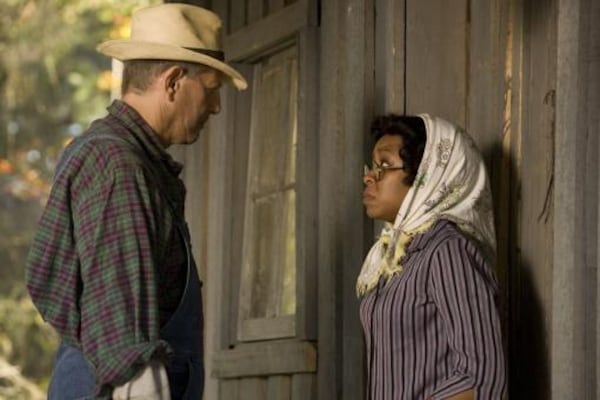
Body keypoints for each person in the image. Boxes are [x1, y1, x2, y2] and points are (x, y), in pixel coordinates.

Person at [25, 3, 247, 399]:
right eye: (211, 90)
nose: (215, 107)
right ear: (174, 81)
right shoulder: (118, 167)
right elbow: (123, 335)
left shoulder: (125, 159)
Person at [359, 114, 506, 399]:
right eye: (372, 166)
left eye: (384, 166)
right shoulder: (389, 259)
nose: (369, 176)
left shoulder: (446, 251)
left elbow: (482, 376)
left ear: (427, 177)